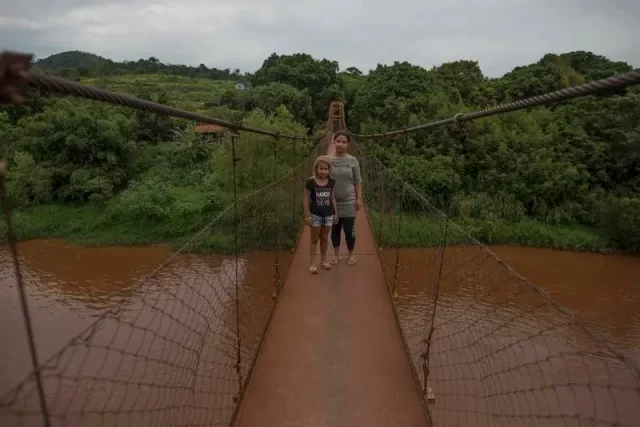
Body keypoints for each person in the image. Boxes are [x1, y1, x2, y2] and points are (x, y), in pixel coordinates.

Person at [329, 131, 363, 266]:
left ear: (348, 144)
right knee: (335, 229)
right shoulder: (328, 160)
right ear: (334, 142)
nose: (340, 144)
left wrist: (359, 198)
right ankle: (336, 256)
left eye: (343, 142)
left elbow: (358, 180)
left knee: (349, 230)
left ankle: (351, 255)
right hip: (333, 202)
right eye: (338, 141)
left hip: (349, 201)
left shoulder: (353, 160)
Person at [303, 155, 338, 274]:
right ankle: (313, 263)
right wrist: (307, 215)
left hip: (328, 215)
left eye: (325, 169)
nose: (323, 171)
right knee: (314, 239)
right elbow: (305, 198)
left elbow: (332, 197)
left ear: (329, 170)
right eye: (321, 169)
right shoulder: (311, 182)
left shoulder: (332, 182)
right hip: (315, 215)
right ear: (316, 169)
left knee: (324, 238)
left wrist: (336, 212)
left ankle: (323, 261)